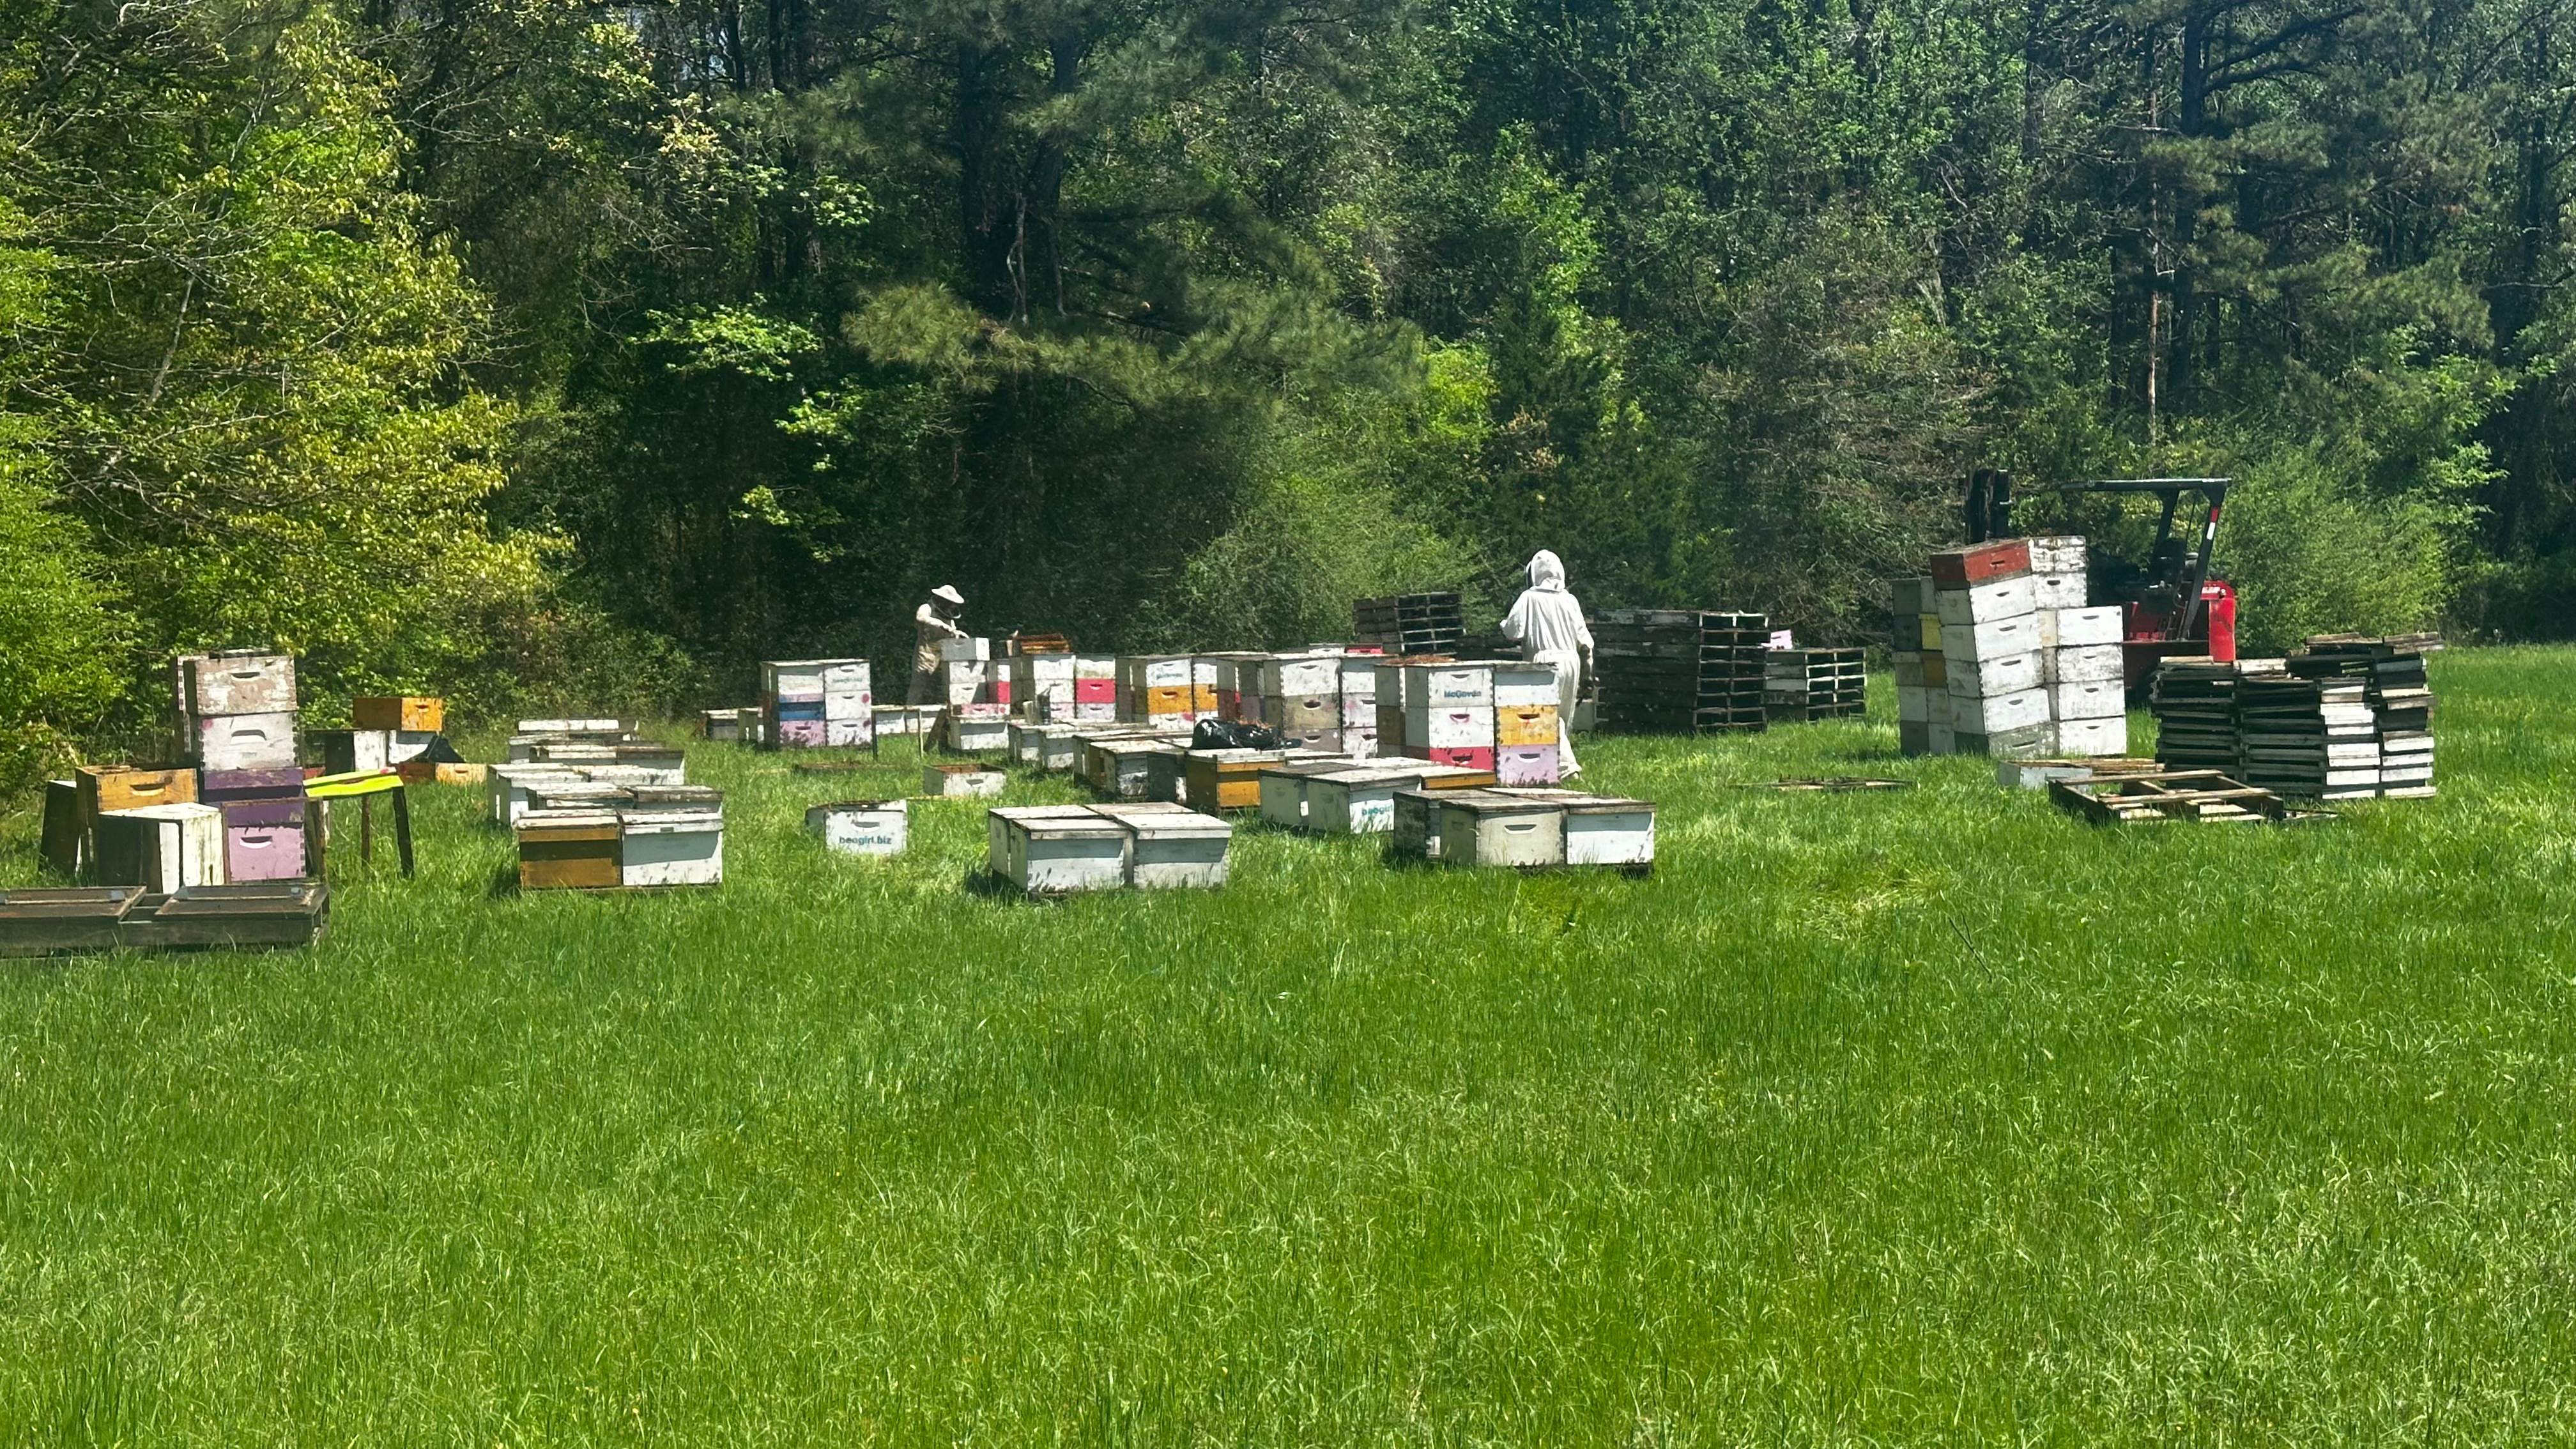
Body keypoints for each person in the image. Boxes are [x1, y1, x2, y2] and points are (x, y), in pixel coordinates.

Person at [1499, 549, 1593, 778]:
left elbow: (1512, 632)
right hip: (1572, 662)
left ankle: (1568, 770)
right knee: (1560, 718)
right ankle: (1546, 767)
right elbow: (1586, 644)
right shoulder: (1570, 600)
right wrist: (1588, 675)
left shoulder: (1529, 598)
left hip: (1544, 663)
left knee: (1549, 718)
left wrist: (1503, 623)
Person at [910, 585, 969, 705]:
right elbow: (920, 618)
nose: (950, 605)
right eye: (949, 602)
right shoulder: (926, 608)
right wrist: (941, 625)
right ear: (941, 599)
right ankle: (910, 710)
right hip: (925, 653)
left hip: (943, 654)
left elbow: (952, 633)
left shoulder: (948, 615)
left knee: (940, 688)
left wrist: (959, 635)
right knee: (919, 686)